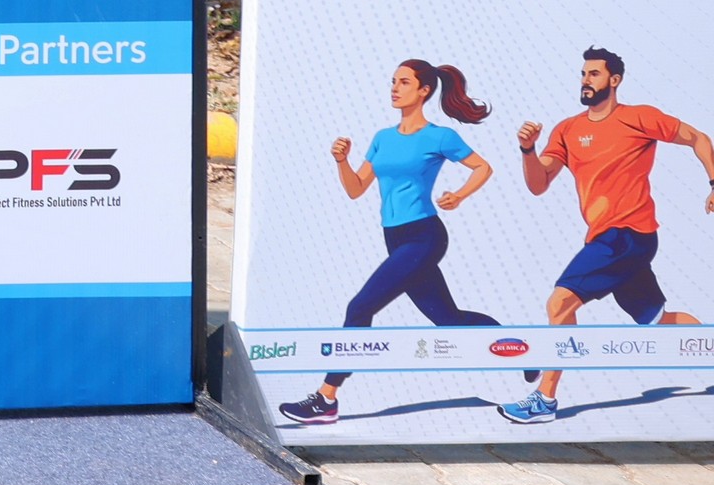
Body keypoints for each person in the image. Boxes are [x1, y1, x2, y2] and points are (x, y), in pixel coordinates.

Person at [501, 47, 714, 425]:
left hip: (628, 233)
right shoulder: (567, 129)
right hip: (608, 238)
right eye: (583, 74)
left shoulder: (639, 117)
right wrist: (527, 150)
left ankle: (545, 399)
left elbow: (698, 138)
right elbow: (538, 183)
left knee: (559, 303)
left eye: (594, 74)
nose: (586, 80)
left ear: (614, 80)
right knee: (658, 321)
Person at [276, 59, 494, 426]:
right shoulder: (382, 138)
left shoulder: (439, 137)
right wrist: (342, 161)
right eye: (393, 81)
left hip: (424, 236)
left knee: (360, 307)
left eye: (404, 82)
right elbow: (356, 189)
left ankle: (326, 398)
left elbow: (483, 167)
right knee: (448, 319)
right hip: (395, 238)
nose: (395, 88)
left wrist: (459, 195)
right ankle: (521, 347)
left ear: (424, 90)